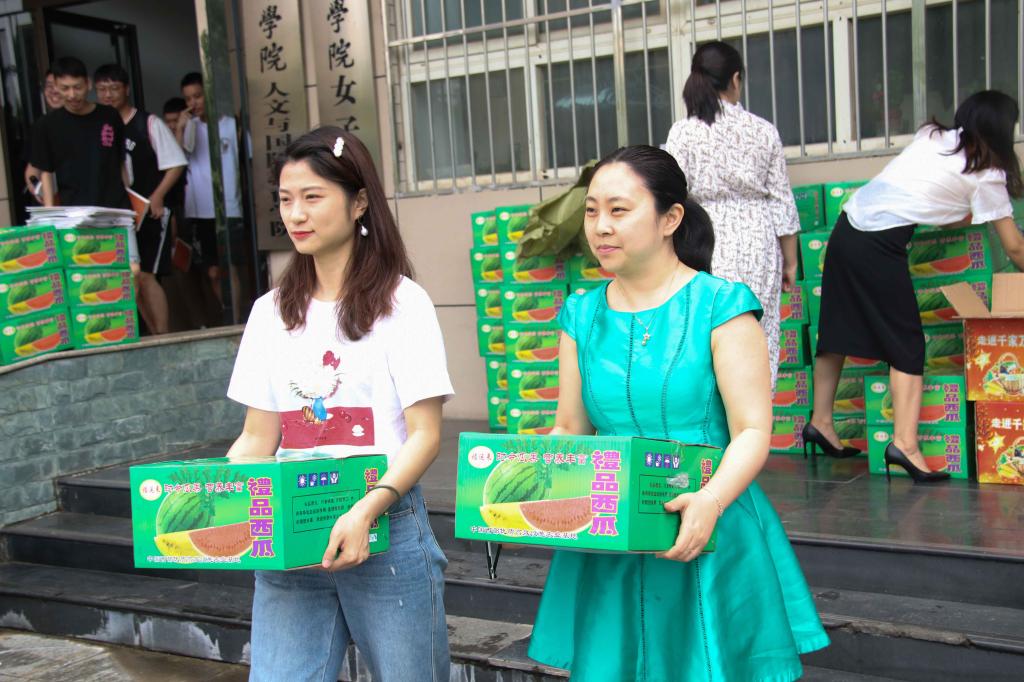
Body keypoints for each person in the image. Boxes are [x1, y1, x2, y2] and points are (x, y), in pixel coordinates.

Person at [527, 145, 828, 680]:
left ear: (670, 219)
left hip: (709, 523)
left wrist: (710, 501)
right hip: (612, 530)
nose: (601, 226)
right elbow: (571, 427)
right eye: (592, 211)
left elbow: (753, 429)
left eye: (619, 210)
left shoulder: (722, 305)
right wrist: (524, 488)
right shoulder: (580, 312)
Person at [225, 127, 453, 681]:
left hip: (384, 527)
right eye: (285, 199)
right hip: (292, 531)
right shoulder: (269, 313)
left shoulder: (404, 304)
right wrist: (227, 499)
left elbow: (425, 434)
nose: (296, 214)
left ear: (358, 202)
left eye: (313, 197)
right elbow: (257, 437)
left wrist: (365, 510)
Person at [808, 91, 1024, 477]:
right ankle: (904, 445)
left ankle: (820, 423)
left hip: (846, 229)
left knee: (836, 331)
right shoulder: (986, 174)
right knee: (906, 343)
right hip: (878, 244)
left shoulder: (933, 137)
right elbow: (1015, 247)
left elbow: (933, 204)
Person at [664, 41, 801, 385]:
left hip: (703, 240)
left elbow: (671, 193)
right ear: (735, 79)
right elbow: (782, 201)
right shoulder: (763, 130)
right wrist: (790, 261)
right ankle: (756, 410)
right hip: (758, 241)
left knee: (704, 332)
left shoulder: (683, 132)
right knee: (758, 331)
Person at [95, 64, 187, 336]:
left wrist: (157, 196)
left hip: (150, 212)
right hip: (119, 214)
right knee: (132, 276)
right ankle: (153, 334)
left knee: (146, 274)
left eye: (114, 88)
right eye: (102, 89)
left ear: (126, 89)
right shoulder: (100, 128)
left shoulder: (148, 123)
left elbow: (176, 164)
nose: (108, 95)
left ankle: (162, 336)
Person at [175, 71, 245, 318]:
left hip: (229, 206)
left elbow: (246, 160)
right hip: (200, 210)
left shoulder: (230, 125)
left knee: (229, 266)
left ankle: (236, 319)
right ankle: (229, 313)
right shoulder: (189, 127)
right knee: (213, 271)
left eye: (198, 96)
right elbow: (176, 161)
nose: (193, 103)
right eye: (188, 98)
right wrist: (181, 128)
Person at [30, 56, 128, 209]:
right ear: (55, 86)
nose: (72, 95)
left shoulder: (110, 116)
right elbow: (46, 171)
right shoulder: (47, 124)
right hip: (74, 210)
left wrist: (129, 202)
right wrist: (49, 209)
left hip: (114, 208)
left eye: (77, 87)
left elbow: (120, 162)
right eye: (65, 88)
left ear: (88, 84)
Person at [23, 69, 64, 202]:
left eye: (58, 86)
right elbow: (32, 170)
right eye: (49, 86)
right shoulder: (41, 125)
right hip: (57, 203)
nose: (53, 91)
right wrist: (38, 189)